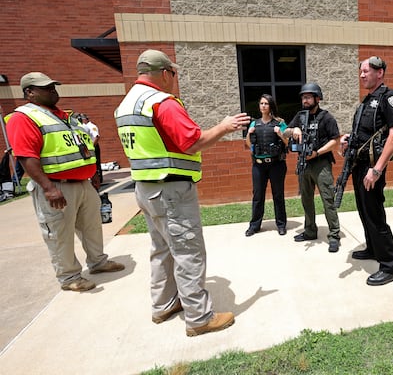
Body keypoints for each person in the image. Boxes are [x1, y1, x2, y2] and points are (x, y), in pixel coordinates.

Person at [114, 49, 251, 337]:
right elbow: (193, 142)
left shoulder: (127, 104)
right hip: (171, 190)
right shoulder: (162, 103)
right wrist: (225, 126)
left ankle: (163, 304)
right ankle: (199, 317)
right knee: (188, 251)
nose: (175, 80)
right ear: (165, 73)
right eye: (174, 74)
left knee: (162, 250)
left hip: (146, 188)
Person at [5, 72, 125, 292]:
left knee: (91, 226)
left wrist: (93, 173)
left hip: (82, 183)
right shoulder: (24, 118)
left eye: (53, 86)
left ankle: (98, 262)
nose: (52, 90)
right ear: (29, 92)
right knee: (60, 233)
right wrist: (48, 188)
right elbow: (25, 156)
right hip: (56, 186)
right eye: (45, 88)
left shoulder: (64, 116)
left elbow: (83, 146)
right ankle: (70, 277)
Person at [342, 56, 393, 286]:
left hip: (372, 169)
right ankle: (373, 248)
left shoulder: (390, 98)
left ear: (380, 73)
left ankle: (391, 266)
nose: (361, 75)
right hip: (359, 167)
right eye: (361, 71)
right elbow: (366, 135)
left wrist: (377, 169)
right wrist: (348, 142)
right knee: (364, 211)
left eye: (366, 71)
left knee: (375, 216)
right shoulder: (366, 101)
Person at [284, 83, 341, 253]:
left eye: (308, 97)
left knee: (327, 199)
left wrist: (317, 153)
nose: (305, 100)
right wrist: (293, 129)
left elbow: (335, 140)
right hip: (304, 163)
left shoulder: (326, 117)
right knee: (306, 199)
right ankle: (310, 231)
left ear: (318, 98)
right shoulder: (300, 116)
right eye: (303, 97)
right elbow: (285, 131)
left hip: (321, 163)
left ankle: (334, 235)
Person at [245, 94, 288, 237]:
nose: (263, 106)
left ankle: (281, 225)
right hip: (258, 165)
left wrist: (280, 133)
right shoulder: (254, 124)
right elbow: (249, 145)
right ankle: (254, 226)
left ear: (270, 106)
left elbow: (288, 143)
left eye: (266, 103)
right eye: (261, 103)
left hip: (276, 164)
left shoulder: (279, 123)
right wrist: (248, 134)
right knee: (258, 195)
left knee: (278, 195)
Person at [79, 113, 102, 183]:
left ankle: (99, 179)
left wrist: (92, 147)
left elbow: (96, 137)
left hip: (93, 146)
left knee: (96, 163)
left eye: (81, 119)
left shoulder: (91, 126)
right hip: (89, 147)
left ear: (85, 119)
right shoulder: (84, 126)